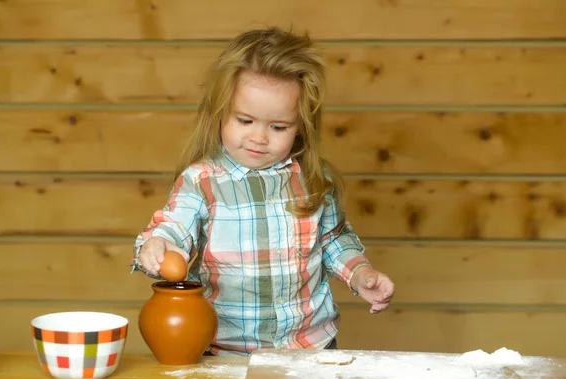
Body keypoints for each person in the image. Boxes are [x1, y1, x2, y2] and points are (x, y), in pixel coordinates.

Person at [130, 27, 395, 356]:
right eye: (244, 121)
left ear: (301, 127)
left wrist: (360, 273)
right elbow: (175, 226)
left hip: (310, 347)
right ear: (220, 113)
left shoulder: (312, 178)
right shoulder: (202, 181)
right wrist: (159, 245)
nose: (259, 138)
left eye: (278, 127)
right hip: (226, 351)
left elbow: (332, 240)